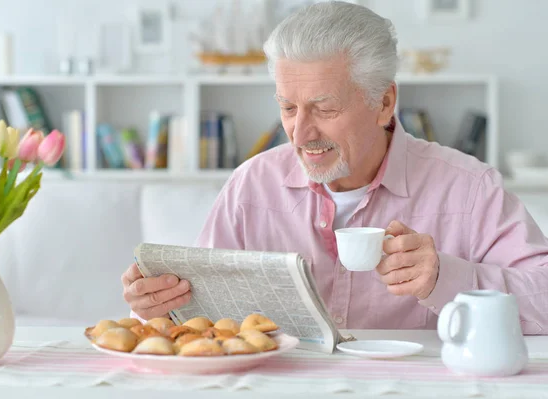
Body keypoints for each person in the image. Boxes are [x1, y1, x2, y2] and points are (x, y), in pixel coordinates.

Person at [121, 1, 548, 333]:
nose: (300, 133)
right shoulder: (251, 185)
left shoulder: (469, 188)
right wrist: (162, 305)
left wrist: (445, 277)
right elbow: (206, 314)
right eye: (287, 108)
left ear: (384, 102)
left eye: (324, 109)